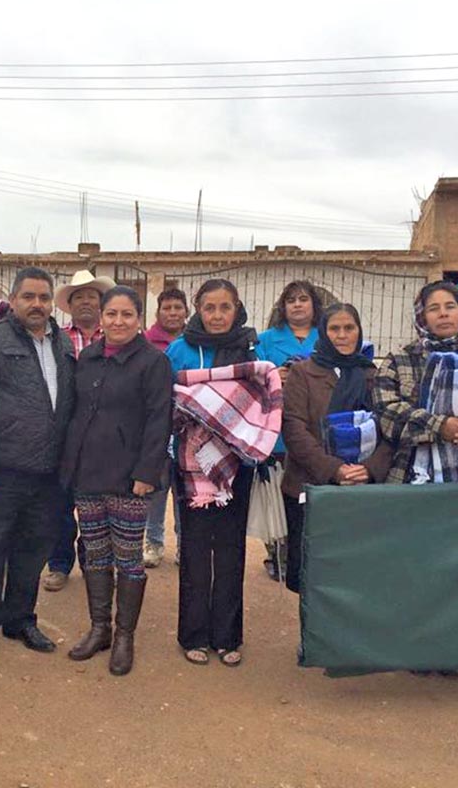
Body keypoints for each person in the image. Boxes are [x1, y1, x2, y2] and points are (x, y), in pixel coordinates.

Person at [0, 266, 75, 670]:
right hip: (2, 470)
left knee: (33, 551)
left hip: (50, 472)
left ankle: (20, 620)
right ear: (14, 300)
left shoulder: (63, 344)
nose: (37, 304)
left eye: (44, 297)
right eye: (29, 297)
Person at [61, 286, 172, 675]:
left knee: (128, 558)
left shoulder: (153, 362)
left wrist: (147, 472)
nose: (118, 322)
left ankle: (125, 636)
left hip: (129, 478)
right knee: (95, 553)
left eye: (127, 315)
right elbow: (75, 414)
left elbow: (160, 420)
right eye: (112, 314)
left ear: (139, 319)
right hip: (88, 473)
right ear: (102, 318)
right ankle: (99, 628)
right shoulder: (87, 358)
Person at [167, 279, 267, 668]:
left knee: (230, 549)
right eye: (209, 308)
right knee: (193, 548)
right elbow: (166, 400)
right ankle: (193, 634)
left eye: (225, 307)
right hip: (191, 466)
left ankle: (227, 636)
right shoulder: (180, 349)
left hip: (236, 465)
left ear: (236, 307)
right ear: (198, 309)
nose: (217, 315)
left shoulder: (251, 348)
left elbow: (263, 400)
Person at [282, 303, 392, 593]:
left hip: (361, 488)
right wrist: (334, 469)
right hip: (309, 485)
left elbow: (390, 430)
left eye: (349, 328)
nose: (342, 335)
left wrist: (368, 469)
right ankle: (313, 638)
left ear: (359, 331)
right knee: (310, 572)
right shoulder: (302, 373)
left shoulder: (373, 375)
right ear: (323, 332)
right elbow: (294, 428)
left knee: (355, 569)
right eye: (334, 328)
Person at [43, 269, 115, 592]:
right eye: (79, 298)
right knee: (59, 505)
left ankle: (92, 563)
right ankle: (59, 564)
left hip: (102, 437)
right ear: (69, 305)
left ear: (101, 303)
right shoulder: (55, 337)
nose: (86, 302)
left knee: (94, 506)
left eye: (92, 296)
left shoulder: (115, 337)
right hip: (62, 434)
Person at [255, 280, 323, 581]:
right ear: (282, 307)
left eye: (303, 299)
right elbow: (253, 374)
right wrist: (274, 374)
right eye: (291, 300)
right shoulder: (266, 339)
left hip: (315, 427)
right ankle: (277, 553)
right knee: (277, 493)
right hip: (276, 429)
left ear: (313, 305)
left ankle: (309, 552)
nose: (297, 305)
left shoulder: (327, 336)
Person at [374, 280, 458, 485]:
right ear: (422, 317)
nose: (443, 313)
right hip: (411, 476)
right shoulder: (399, 360)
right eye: (434, 308)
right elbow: (387, 415)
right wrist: (440, 427)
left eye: (450, 306)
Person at [142, 287, 189, 568]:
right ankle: (154, 541)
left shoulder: (194, 341)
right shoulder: (146, 342)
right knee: (157, 487)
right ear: (158, 312)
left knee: (183, 488)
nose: (172, 312)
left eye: (177, 307)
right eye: (167, 308)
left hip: (188, 429)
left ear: (186, 312)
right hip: (158, 426)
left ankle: (185, 543)